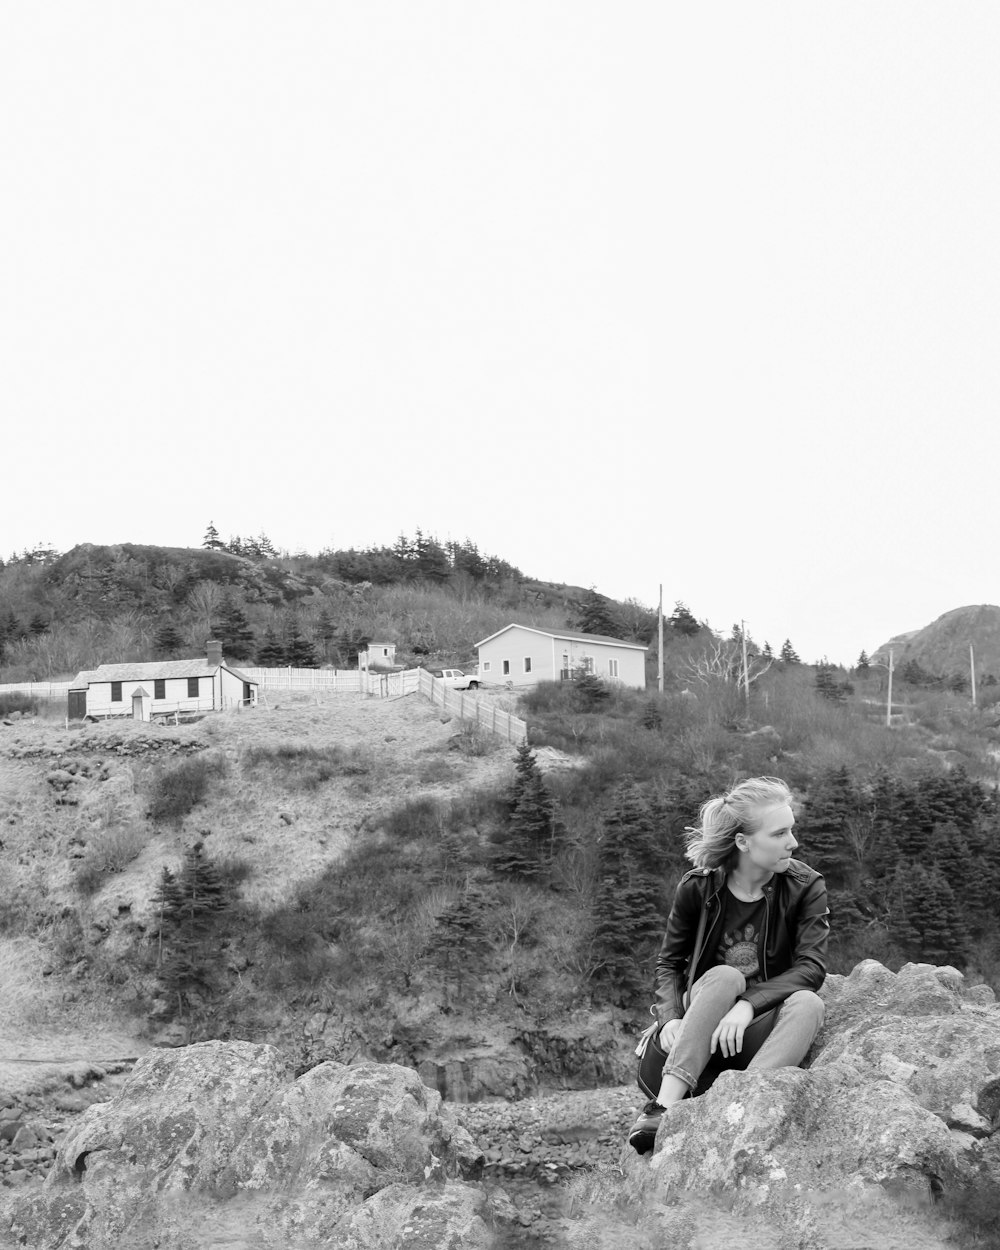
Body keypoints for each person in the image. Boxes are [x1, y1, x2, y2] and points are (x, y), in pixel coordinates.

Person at [628, 776, 829, 1154]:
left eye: (792, 830)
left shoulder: (805, 886)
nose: (793, 842)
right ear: (743, 842)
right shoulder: (698, 888)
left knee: (809, 1004)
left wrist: (748, 1004)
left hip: (752, 1031)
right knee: (725, 976)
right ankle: (663, 1106)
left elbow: (812, 967)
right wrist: (670, 1017)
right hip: (698, 1024)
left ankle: (739, 1107)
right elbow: (669, 963)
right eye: (780, 833)